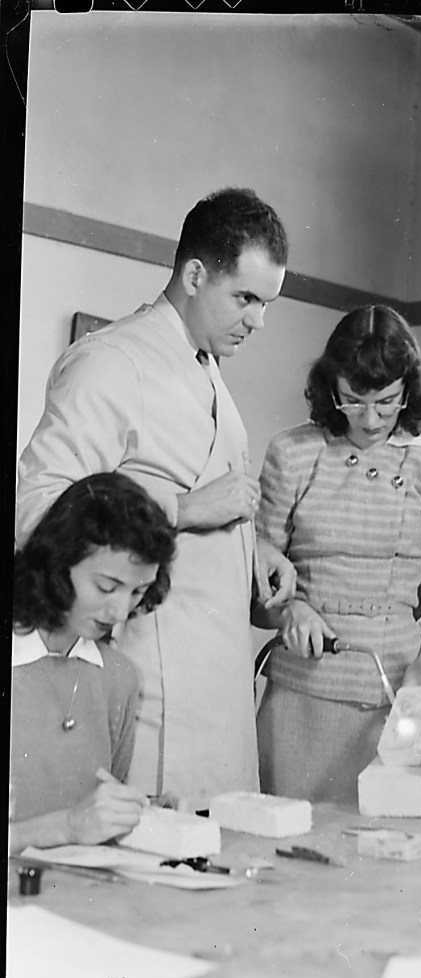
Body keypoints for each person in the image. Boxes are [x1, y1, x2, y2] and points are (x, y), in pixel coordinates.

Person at [15, 187, 296, 809]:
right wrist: (183, 510)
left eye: (266, 303)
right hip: (153, 690)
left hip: (219, 686)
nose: (257, 321)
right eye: (245, 298)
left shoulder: (203, 366)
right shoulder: (111, 362)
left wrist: (253, 552)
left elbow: (211, 500)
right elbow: (38, 507)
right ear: (195, 275)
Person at [253, 304, 421, 802]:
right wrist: (290, 609)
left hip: (392, 703)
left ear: (409, 389)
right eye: (352, 401)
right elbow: (256, 591)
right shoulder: (292, 454)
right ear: (331, 386)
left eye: (387, 402)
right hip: (300, 701)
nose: (370, 419)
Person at [10, 473, 176, 854]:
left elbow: (93, 813)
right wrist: (65, 827)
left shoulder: (119, 678)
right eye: (107, 586)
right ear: (58, 562)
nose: (120, 611)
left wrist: (140, 814)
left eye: (138, 592)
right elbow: (71, 823)